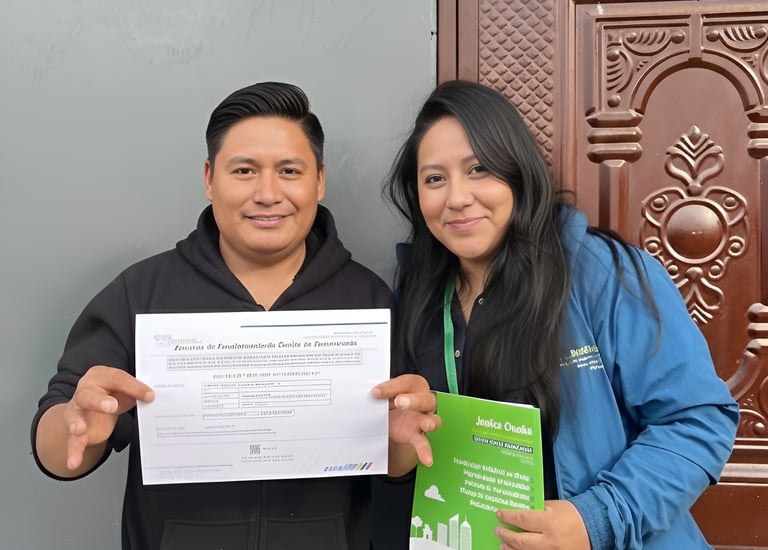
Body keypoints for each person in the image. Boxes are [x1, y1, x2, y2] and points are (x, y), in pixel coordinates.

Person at [372, 80, 739, 549]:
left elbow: (698, 419)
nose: (457, 197)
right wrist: (395, 447)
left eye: (479, 168)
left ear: (518, 172)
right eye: (434, 179)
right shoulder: (415, 297)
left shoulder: (602, 273)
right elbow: (408, 462)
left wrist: (597, 519)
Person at [31, 81, 392, 550]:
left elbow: (401, 451)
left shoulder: (369, 299)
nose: (267, 193)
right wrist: (76, 424)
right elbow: (58, 454)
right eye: (244, 171)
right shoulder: (141, 294)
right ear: (209, 178)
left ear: (319, 181)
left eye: (289, 171)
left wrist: (401, 442)